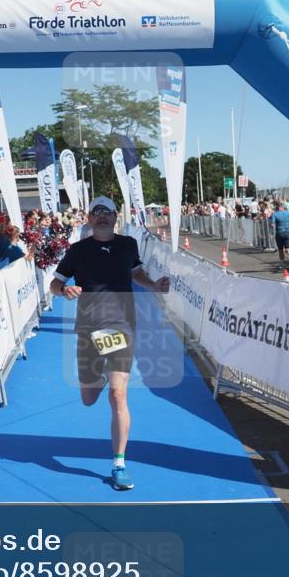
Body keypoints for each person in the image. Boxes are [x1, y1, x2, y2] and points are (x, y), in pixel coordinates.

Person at [49, 196, 170, 491]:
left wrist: (154, 285)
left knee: (118, 395)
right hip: (89, 327)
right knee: (89, 399)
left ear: (116, 217)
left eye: (107, 212)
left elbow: (136, 272)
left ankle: (118, 463)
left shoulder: (128, 245)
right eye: (96, 212)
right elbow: (54, 284)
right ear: (89, 219)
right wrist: (65, 289)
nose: (102, 216)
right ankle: (100, 377)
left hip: (121, 325)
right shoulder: (77, 250)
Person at [270, 201, 289, 267]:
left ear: (278, 207)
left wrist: (272, 225)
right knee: (287, 248)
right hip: (287, 232)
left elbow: (272, 224)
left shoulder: (275, 214)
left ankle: (282, 263)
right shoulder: (288, 213)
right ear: (283, 207)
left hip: (279, 232)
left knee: (280, 249)